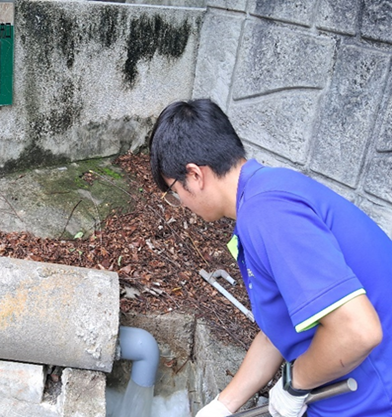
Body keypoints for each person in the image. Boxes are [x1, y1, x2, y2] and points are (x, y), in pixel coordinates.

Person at [149, 99, 392, 417]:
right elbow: (281, 331)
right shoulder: (265, 198)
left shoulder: (269, 212)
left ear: (194, 175)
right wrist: (223, 405)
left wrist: (295, 383)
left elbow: (357, 331)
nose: (179, 202)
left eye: (173, 190)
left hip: (375, 400)